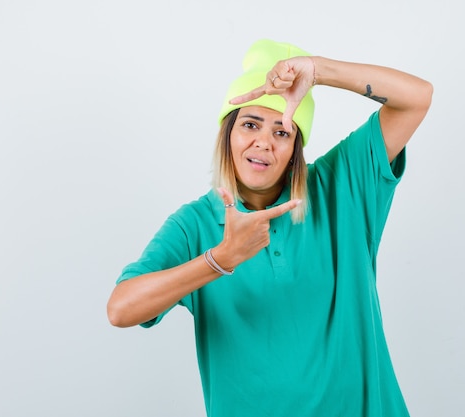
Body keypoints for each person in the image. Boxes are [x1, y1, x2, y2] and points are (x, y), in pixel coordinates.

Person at [107, 38, 433, 417]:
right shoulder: (194, 225)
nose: (264, 142)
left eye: (282, 131)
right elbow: (121, 309)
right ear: (227, 133)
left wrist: (318, 70)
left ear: (295, 148)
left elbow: (416, 97)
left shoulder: (339, 188)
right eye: (250, 124)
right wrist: (219, 259)